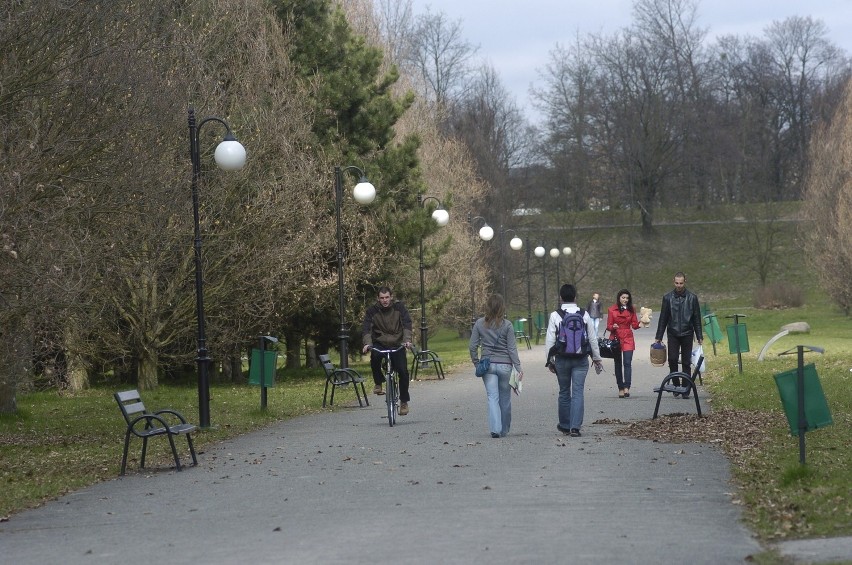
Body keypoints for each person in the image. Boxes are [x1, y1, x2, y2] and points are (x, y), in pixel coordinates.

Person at [545, 284, 603, 437]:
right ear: (575, 297)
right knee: (578, 392)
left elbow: (550, 340)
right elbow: (592, 338)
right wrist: (596, 358)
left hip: (562, 359)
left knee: (564, 392)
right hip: (581, 359)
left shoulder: (555, 315)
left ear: (561, 298)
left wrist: (550, 360)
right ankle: (575, 427)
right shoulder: (584, 314)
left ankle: (565, 425)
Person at [469, 294, 523, 439]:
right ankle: (504, 429)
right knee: (505, 399)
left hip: (487, 366)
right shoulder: (508, 325)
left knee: (492, 397)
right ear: (502, 307)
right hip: (505, 365)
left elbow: (472, 346)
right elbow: (512, 349)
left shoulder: (479, 324)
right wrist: (518, 368)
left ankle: (495, 429)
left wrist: (476, 363)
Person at [361, 286, 413, 415]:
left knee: (403, 371)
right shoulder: (372, 311)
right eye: (382, 298)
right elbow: (366, 329)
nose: (385, 300)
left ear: (391, 297)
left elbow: (407, 324)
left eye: (387, 297)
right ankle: (378, 383)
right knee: (375, 356)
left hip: (397, 343)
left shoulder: (399, 308)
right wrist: (368, 344)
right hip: (380, 342)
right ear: (378, 298)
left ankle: (404, 402)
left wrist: (407, 341)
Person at [654, 272, 703, 398]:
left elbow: (696, 318)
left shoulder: (692, 298)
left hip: (687, 333)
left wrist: (699, 336)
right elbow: (663, 318)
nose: (679, 285)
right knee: (672, 359)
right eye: (677, 283)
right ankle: (676, 385)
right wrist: (658, 336)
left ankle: (686, 388)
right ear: (673, 282)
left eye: (681, 283)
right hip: (673, 333)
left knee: (686, 362)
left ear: (685, 282)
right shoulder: (667, 298)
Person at [606, 289, 641, 398]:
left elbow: (634, 325)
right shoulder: (612, 310)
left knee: (627, 362)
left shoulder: (632, 310)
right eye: (623, 298)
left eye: (627, 298)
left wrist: (643, 322)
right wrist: (613, 327)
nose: (625, 300)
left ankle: (627, 387)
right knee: (617, 363)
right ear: (619, 298)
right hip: (616, 337)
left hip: (628, 337)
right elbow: (608, 326)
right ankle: (620, 387)